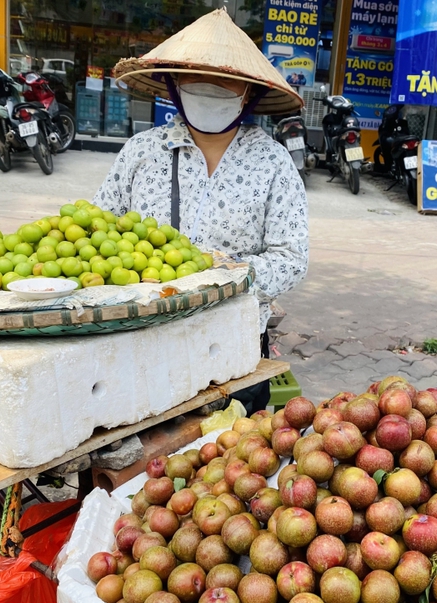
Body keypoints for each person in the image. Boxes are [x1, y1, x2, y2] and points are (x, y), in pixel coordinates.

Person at [95, 9, 309, 413]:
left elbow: (291, 258)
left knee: (228, 462)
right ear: (173, 83)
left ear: (249, 93)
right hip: (142, 342)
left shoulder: (273, 162)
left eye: (227, 80)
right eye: (195, 77)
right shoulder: (142, 152)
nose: (210, 87)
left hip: (233, 348)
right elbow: (96, 233)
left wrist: (220, 275)